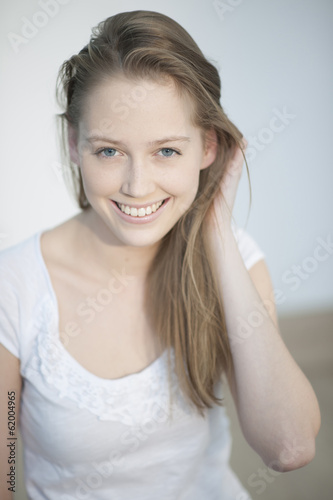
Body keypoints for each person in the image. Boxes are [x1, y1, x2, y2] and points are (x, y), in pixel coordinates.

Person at [0, 10, 320, 500]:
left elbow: (290, 446)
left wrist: (214, 230)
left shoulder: (236, 263)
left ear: (208, 147)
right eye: (109, 151)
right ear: (73, 144)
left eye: (166, 151)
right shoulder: (15, 287)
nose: (136, 186)